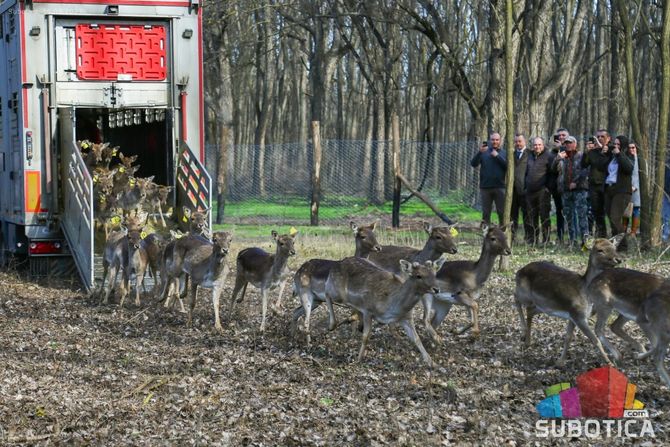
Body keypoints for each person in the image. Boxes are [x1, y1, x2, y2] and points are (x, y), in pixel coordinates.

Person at [552, 136, 589, 248]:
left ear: (575, 144)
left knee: (582, 216)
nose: (568, 145)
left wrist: (576, 183)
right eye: (567, 143)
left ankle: (585, 243)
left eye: (570, 143)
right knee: (569, 217)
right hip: (565, 191)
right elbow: (553, 170)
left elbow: (585, 171)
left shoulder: (581, 155)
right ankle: (572, 242)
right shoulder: (562, 156)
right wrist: (557, 158)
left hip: (579, 190)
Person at [604, 135, 635, 250]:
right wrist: (605, 152)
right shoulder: (612, 156)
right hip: (609, 189)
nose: (616, 146)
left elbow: (628, 168)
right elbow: (602, 166)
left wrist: (619, 154)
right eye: (614, 144)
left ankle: (623, 246)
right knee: (611, 219)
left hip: (622, 191)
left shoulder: (628, 156)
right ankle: (615, 245)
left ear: (623, 146)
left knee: (615, 218)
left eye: (618, 144)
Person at [471, 132, 507, 225]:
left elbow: (508, 167)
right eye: (493, 139)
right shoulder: (484, 152)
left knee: (501, 212)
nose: (495, 141)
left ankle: (503, 232)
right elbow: (473, 164)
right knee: (486, 213)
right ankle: (486, 233)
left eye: (497, 140)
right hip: (485, 187)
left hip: (500, 187)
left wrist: (497, 156)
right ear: (490, 140)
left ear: (500, 140)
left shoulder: (504, 153)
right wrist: (479, 152)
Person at [525, 137, 553, 245]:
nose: (537, 147)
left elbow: (552, 173)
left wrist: (548, 187)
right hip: (529, 191)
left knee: (544, 216)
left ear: (543, 145)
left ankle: (546, 240)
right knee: (531, 216)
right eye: (535, 145)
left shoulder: (548, 156)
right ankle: (533, 240)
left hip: (542, 191)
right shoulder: (529, 156)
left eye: (539, 145)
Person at [548, 128, 568, 243]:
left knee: (570, 213)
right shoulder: (552, 153)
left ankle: (572, 237)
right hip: (557, 188)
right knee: (559, 212)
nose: (561, 137)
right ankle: (560, 237)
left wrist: (562, 148)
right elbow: (552, 170)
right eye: (559, 135)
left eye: (563, 135)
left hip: (570, 188)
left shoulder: (572, 150)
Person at [511, 133, 531, 243]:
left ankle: (528, 237)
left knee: (527, 215)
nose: (518, 144)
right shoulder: (512, 154)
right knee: (512, 216)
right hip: (513, 191)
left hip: (525, 190)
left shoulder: (529, 154)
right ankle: (512, 237)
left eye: (520, 141)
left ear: (524, 142)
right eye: (516, 142)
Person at [623, 141, 641, 236]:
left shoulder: (641, 161)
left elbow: (642, 176)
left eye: (633, 147)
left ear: (636, 149)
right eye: (629, 148)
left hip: (637, 189)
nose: (631, 150)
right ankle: (623, 231)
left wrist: (636, 187)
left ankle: (633, 232)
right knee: (626, 210)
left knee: (636, 210)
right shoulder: (626, 159)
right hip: (626, 188)